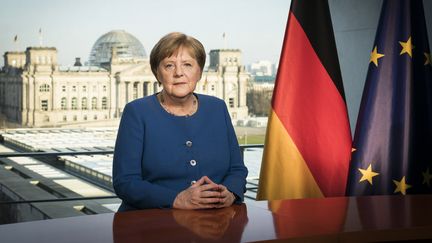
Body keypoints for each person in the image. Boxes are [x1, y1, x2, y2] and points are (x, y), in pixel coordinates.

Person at [112, 32, 248, 211]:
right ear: (157, 73)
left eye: (187, 65)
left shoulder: (217, 108)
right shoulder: (137, 112)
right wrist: (176, 199)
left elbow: (237, 169)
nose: (179, 73)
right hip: (152, 225)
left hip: (216, 224)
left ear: (199, 72)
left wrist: (230, 192)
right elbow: (125, 182)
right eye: (169, 66)